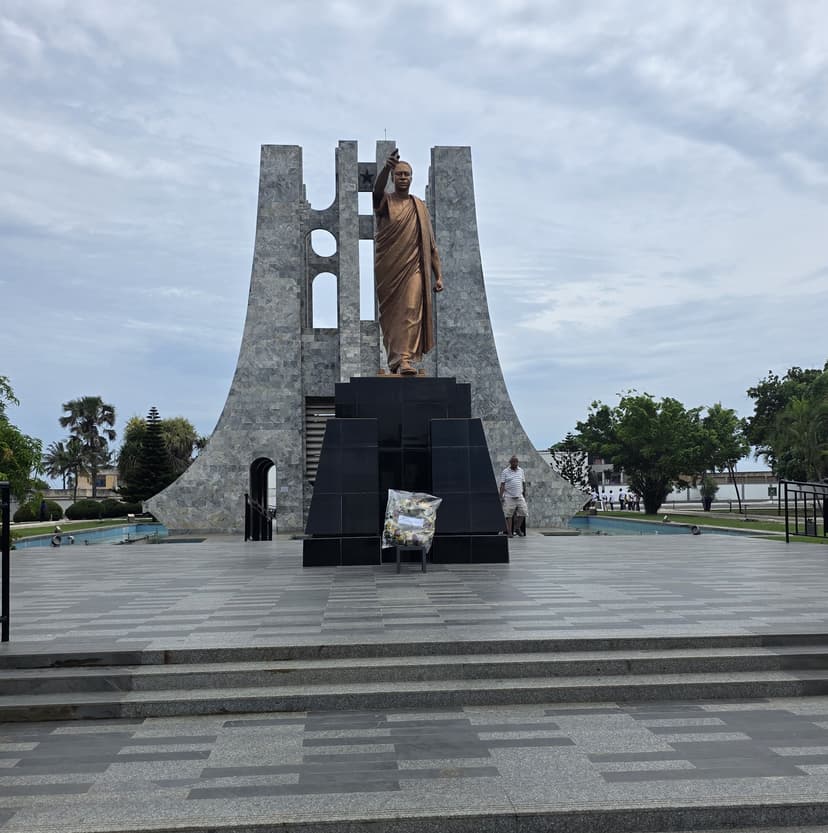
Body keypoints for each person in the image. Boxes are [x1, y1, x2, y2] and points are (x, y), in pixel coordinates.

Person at [373, 149, 444, 375]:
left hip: (414, 267)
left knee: (412, 308)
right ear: (393, 178)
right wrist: (385, 168)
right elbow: (375, 193)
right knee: (393, 315)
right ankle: (395, 360)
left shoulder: (419, 206)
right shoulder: (387, 202)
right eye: (399, 174)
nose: (403, 178)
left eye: (407, 174)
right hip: (389, 269)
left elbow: (431, 245)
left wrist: (438, 275)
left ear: (412, 178)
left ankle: (406, 360)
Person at [499, 456, 527, 537]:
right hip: (509, 496)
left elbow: (523, 483)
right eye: (513, 462)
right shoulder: (505, 471)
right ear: (510, 463)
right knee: (508, 515)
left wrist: (524, 494)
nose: (515, 463)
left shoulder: (521, 470)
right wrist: (501, 497)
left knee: (523, 512)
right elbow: (502, 485)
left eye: (516, 462)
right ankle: (509, 532)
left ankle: (517, 528)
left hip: (519, 496)